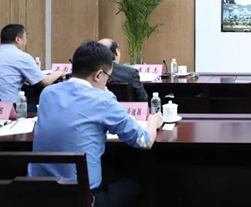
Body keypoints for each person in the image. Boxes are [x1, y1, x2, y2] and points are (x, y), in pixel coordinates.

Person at [29, 41, 163, 207]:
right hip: (84, 199)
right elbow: (144, 141)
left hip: (40, 195)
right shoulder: (103, 100)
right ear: (98, 75)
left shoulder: (48, 93)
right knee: (140, 183)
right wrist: (153, 121)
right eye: (108, 77)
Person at [0, 24, 64, 103]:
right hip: (9, 106)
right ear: (18, 39)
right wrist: (60, 72)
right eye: (25, 37)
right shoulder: (21, 56)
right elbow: (45, 82)